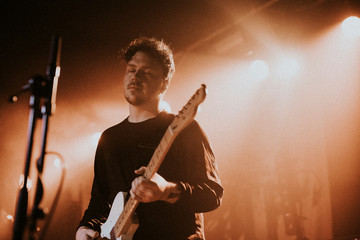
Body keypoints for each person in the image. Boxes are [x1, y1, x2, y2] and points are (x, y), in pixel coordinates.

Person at [75, 36, 223, 240]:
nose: (135, 76)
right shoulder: (109, 138)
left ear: (164, 83)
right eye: (131, 69)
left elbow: (212, 194)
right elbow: (99, 204)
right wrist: (83, 229)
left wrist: (167, 190)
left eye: (147, 72)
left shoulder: (183, 128)